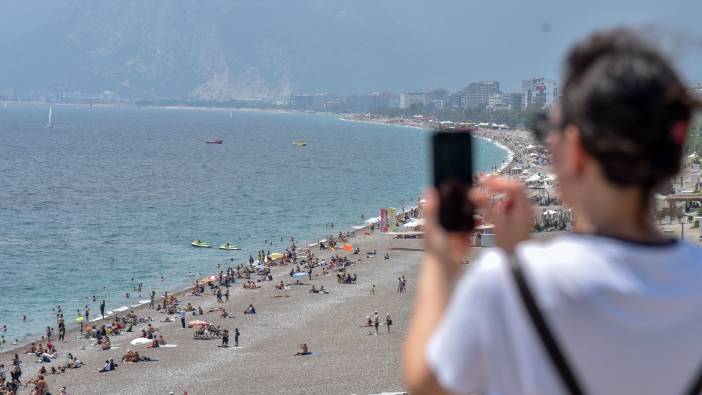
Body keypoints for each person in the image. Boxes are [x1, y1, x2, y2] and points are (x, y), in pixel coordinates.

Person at [403, 29, 702, 395]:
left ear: (576, 147)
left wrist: (441, 258)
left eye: (549, 128)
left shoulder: (509, 282)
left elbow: (426, 382)